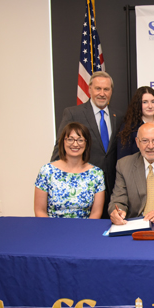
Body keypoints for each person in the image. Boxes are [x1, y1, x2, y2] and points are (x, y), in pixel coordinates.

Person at [50, 71, 122, 216]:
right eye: (98, 88)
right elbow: (60, 147)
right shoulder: (73, 113)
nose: (102, 93)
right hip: (84, 188)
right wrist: (56, 179)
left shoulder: (119, 116)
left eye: (106, 89)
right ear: (89, 89)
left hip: (113, 186)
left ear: (111, 91)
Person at [35, 122, 105, 218]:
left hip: (85, 230)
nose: (75, 144)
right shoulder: (46, 171)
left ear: (86, 143)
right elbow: (40, 211)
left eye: (80, 140)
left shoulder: (96, 174)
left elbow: (96, 213)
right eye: (70, 139)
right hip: (51, 229)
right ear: (63, 141)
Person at [117, 86, 154, 159]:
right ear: (137, 104)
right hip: (137, 169)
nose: (150, 106)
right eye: (145, 102)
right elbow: (123, 158)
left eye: (153, 101)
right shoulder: (128, 127)